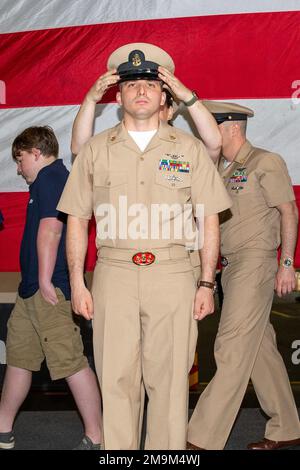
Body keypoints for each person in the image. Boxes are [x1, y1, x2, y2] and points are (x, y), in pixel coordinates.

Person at [57, 42, 232, 450]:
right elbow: (77, 219)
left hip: (173, 275)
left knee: (169, 383)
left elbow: (209, 217)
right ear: (116, 97)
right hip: (114, 275)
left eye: (150, 84)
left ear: (163, 96)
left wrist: (206, 284)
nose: (140, 90)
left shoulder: (187, 150)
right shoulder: (97, 150)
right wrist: (78, 283)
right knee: (115, 381)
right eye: (131, 83)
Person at [186, 101, 300, 450]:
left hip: (256, 262)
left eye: (212, 125)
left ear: (232, 127)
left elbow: (288, 211)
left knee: (230, 347)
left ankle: (200, 439)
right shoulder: (222, 169)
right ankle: (287, 427)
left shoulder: (265, 162)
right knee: (260, 348)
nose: (206, 132)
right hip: (231, 267)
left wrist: (286, 263)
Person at [0, 126, 102, 450]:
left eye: (20, 160)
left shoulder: (51, 178)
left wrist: (45, 281)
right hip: (30, 292)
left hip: (49, 292)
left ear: (36, 153)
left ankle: (97, 436)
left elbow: (52, 230)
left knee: (71, 362)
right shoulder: (47, 181)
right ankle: (3, 428)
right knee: (18, 358)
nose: (19, 169)